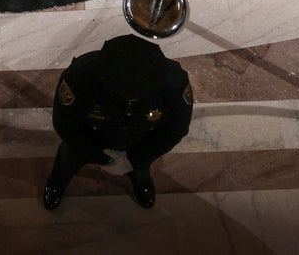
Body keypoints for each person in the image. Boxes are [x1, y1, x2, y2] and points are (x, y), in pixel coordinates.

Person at [43, 34, 194, 210]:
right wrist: (102, 156)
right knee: (65, 165)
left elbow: (176, 129)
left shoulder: (175, 83)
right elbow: (65, 125)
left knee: (140, 170)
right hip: (88, 139)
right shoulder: (79, 76)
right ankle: (56, 185)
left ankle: (140, 178)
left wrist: (134, 160)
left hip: (139, 143)